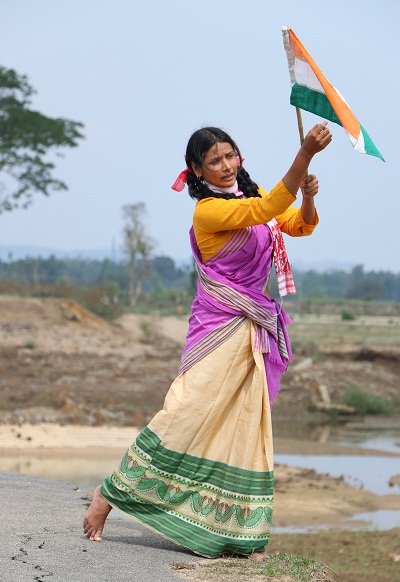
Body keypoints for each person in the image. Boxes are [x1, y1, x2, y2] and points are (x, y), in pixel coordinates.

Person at [83, 121, 332, 558]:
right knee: (185, 410)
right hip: (219, 326)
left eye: (230, 155)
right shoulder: (208, 212)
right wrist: (304, 154)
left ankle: (240, 533)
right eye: (214, 160)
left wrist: (308, 195)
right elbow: (269, 207)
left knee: (244, 421)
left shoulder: (250, 196)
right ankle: (110, 494)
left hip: (252, 327)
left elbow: (298, 224)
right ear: (197, 170)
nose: (226, 165)